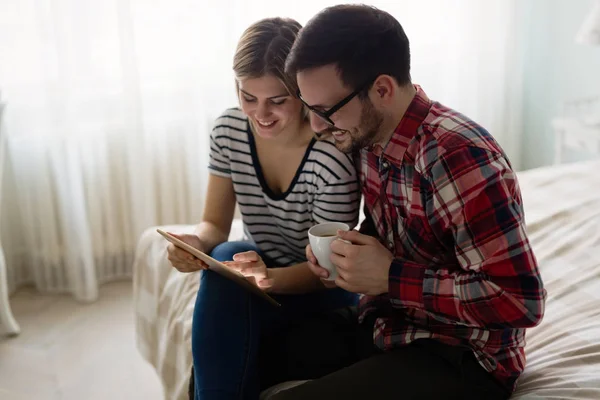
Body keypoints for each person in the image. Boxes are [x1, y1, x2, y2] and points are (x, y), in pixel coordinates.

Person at [262, 4, 546, 400]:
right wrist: (347, 255)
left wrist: (391, 278)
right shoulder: (366, 138)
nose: (316, 127)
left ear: (382, 90)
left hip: (460, 355)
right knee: (243, 356)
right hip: (390, 325)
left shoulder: (458, 155)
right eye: (310, 110)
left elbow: (520, 301)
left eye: (326, 111)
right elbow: (403, 233)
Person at [165, 17, 361, 400]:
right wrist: (195, 243)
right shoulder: (228, 130)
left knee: (227, 285)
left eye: (277, 100)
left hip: (319, 289)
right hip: (256, 275)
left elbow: (330, 272)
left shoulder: (332, 158)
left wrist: (263, 278)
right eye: (247, 97)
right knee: (223, 255)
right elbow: (214, 226)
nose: (260, 114)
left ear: (301, 92)